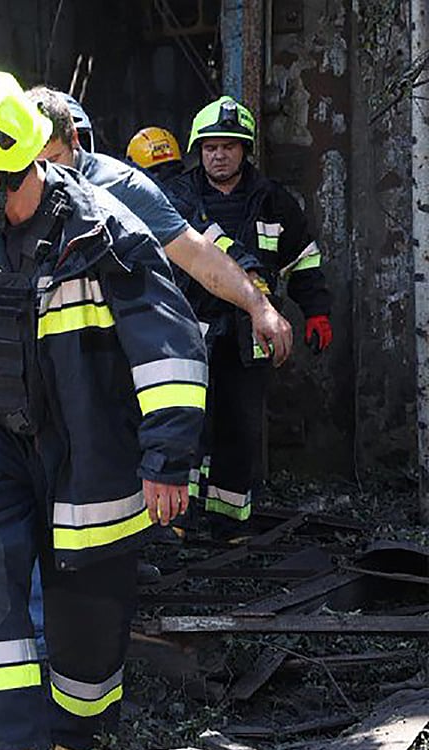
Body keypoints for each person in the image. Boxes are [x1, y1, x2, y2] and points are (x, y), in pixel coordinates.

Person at [0, 71, 206, 750]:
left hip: (83, 443)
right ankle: (3, 743)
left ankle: (82, 738)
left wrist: (168, 459)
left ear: (14, 162)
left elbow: (170, 347)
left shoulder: (103, 231)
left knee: (86, 588)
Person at [25, 86, 293, 368]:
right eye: (31, 164)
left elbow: (197, 254)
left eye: (53, 161)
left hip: (108, 359)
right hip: (39, 364)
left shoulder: (121, 187)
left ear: (75, 140)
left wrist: (258, 306)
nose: (44, 175)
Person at [164, 96, 333, 528]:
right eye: (210, 147)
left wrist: (315, 311)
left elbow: (304, 261)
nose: (218, 155)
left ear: (245, 150)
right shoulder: (177, 199)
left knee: (240, 427)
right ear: (198, 151)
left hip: (250, 334)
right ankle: (181, 520)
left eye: (229, 146)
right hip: (191, 329)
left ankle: (228, 524)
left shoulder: (273, 202)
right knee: (187, 425)